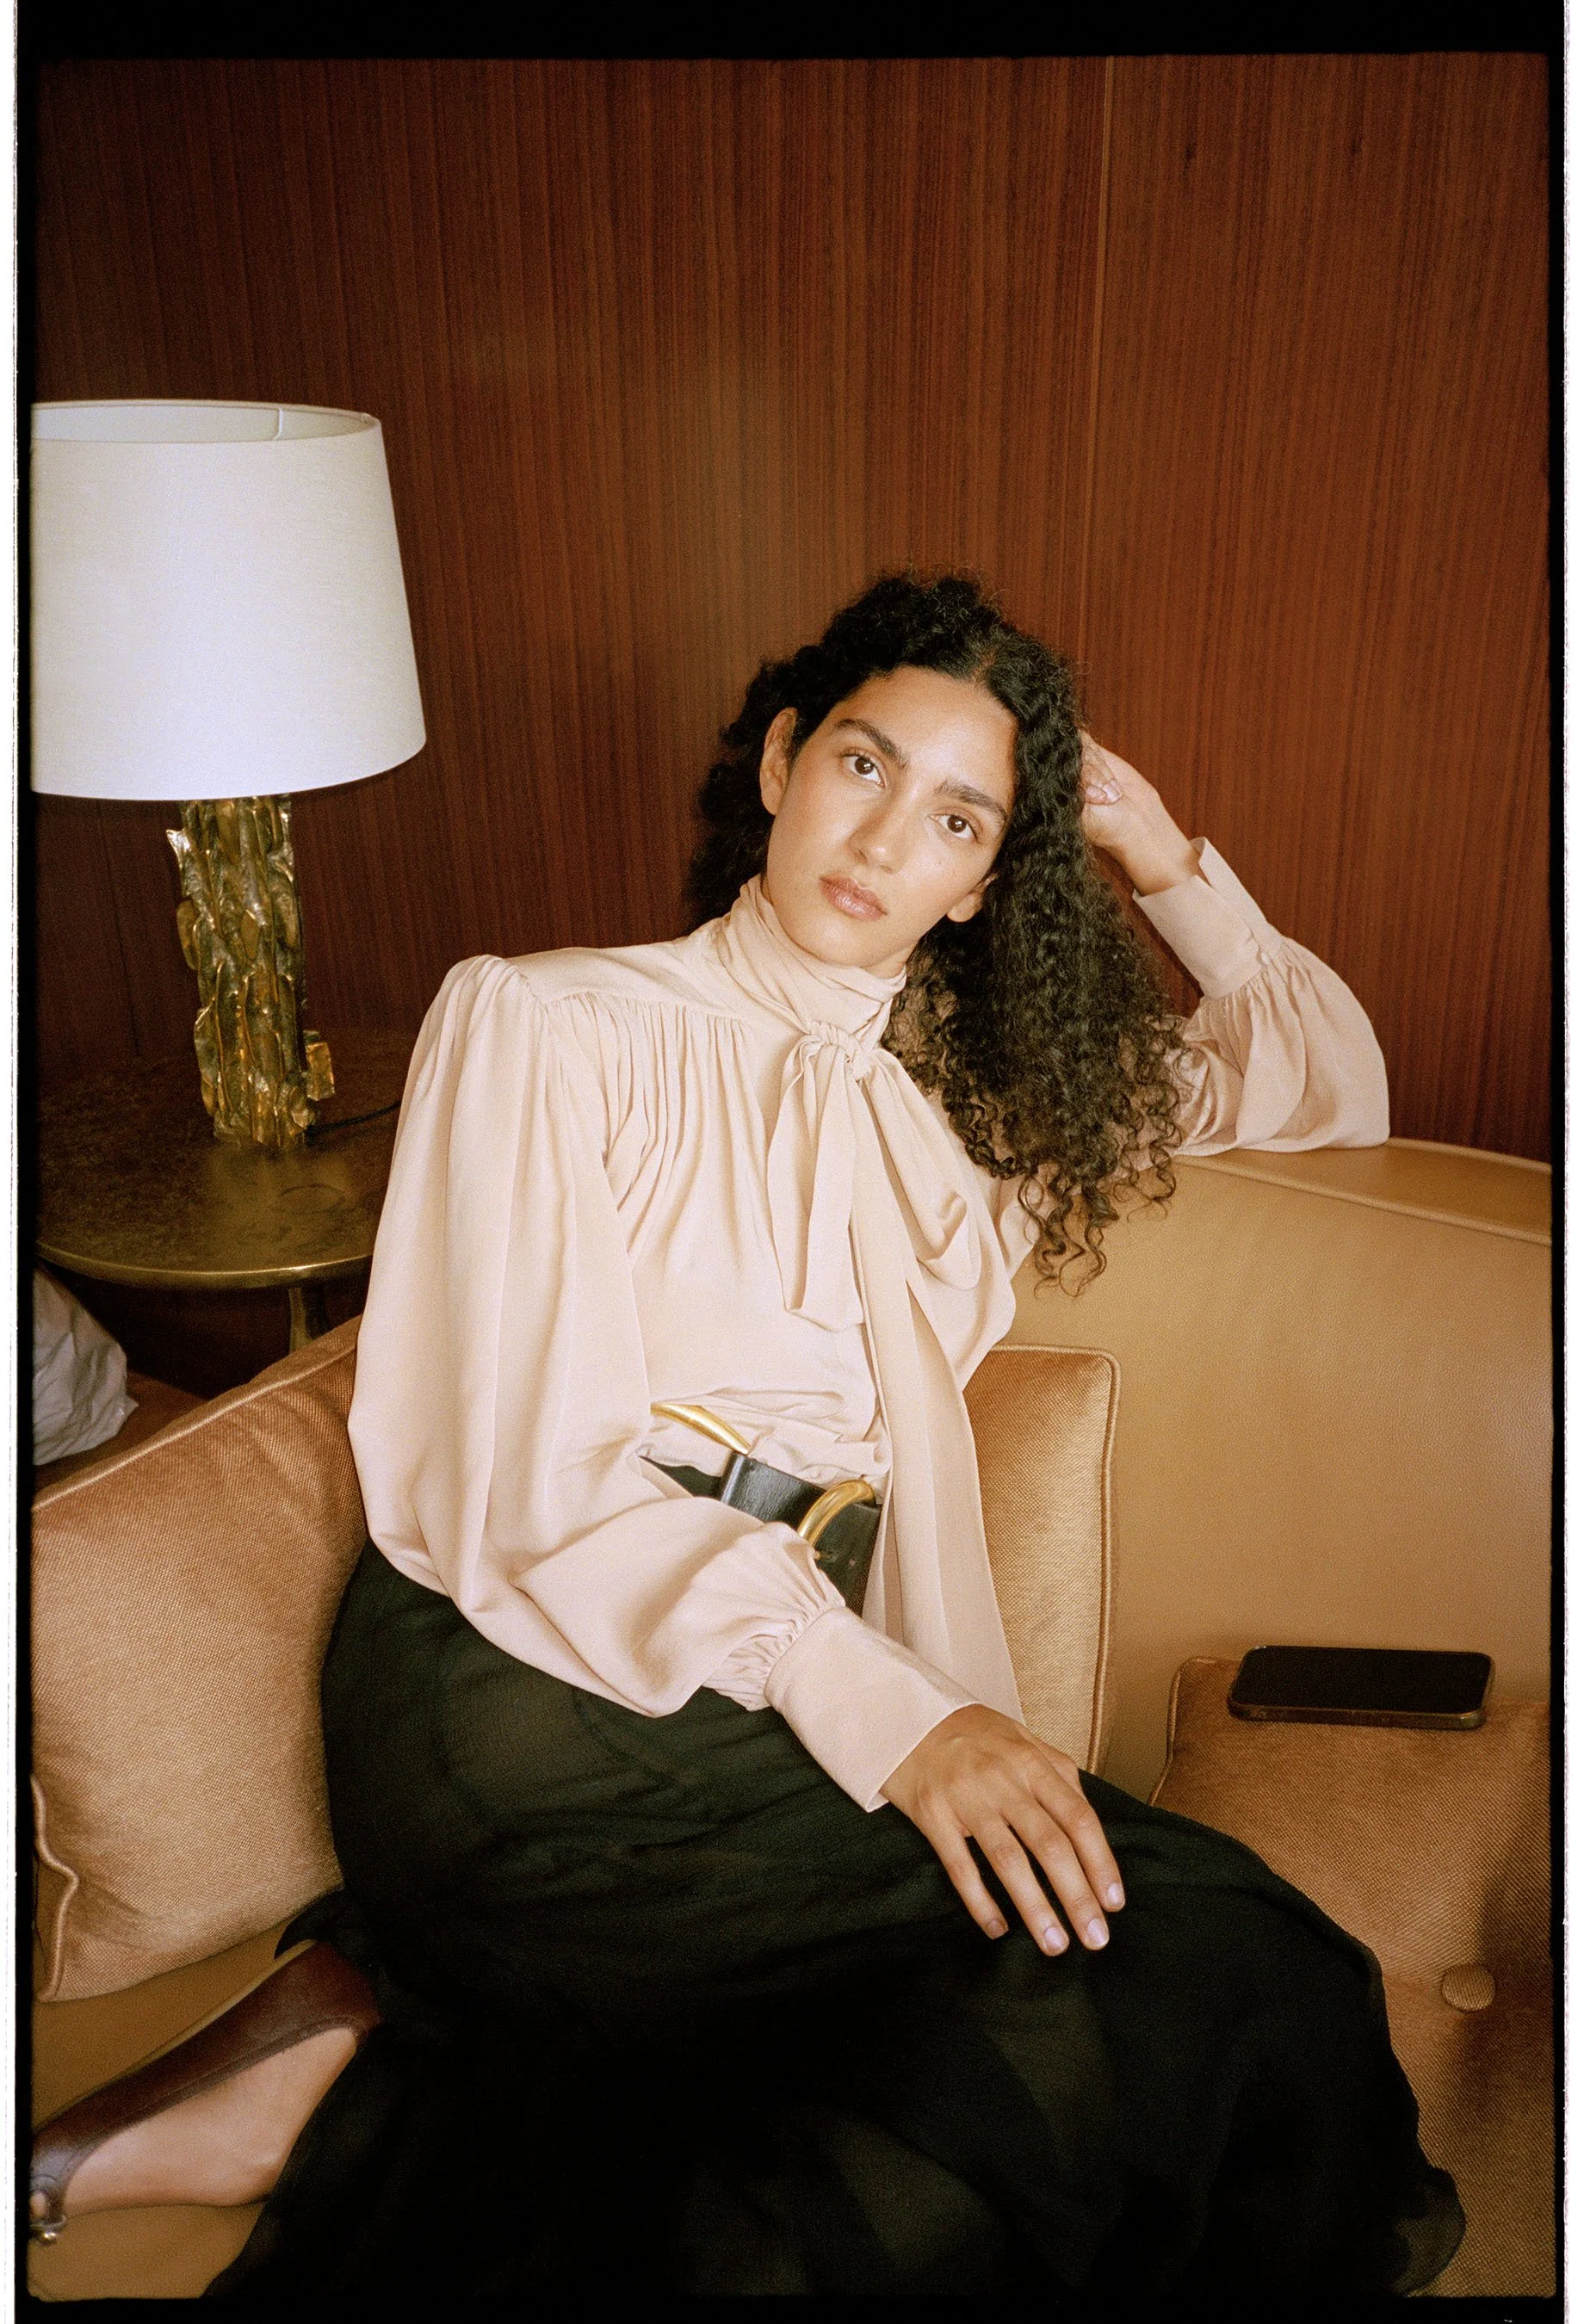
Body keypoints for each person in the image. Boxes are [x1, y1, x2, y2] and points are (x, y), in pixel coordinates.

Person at [31, 573, 1463, 2296]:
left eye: (955, 820)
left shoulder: (980, 1098)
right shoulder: (545, 1022)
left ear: (977, 883)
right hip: (530, 1683)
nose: (882, 838)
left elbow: (1329, 1083)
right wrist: (900, 1716)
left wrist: (1156, 855)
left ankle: (352, 2050)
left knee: (1255, 1976)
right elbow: (533, 1479)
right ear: (783, 759)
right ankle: (375, 2014)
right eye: (861, 764)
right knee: (1137, 1995)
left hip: (774, 1698)